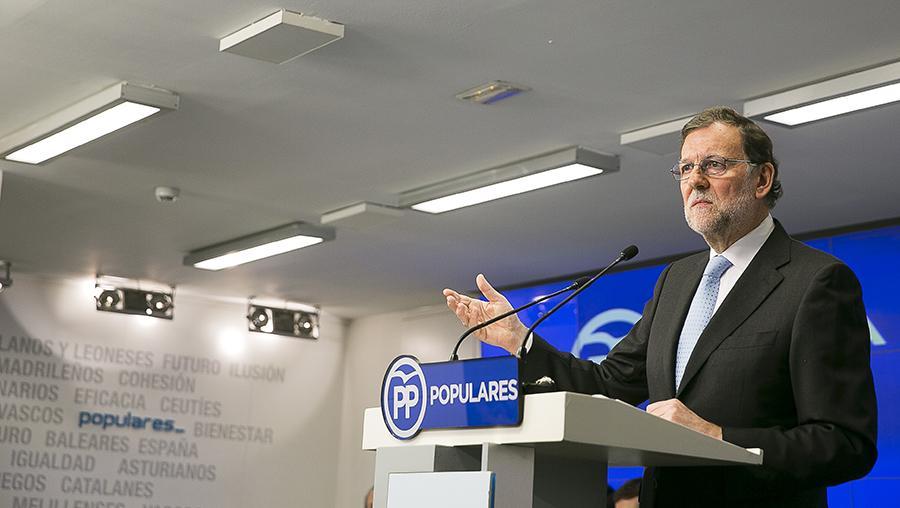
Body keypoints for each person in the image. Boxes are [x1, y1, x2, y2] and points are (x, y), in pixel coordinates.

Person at [443, 107, 877, 507]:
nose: (695, 181)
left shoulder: (816, 282)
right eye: (686, 168)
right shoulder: (677, 280)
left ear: (762, 179)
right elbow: (609, 384)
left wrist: (718, 437)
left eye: (714, 165)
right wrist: (519, 340)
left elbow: (845, 444)